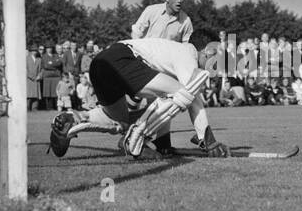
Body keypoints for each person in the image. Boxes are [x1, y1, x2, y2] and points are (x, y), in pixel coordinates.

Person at [49, 28, 229, 159]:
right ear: (208, 51)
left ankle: (73, 119)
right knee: (183, 93)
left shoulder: (171, 54)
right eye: (215, 57)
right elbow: (192, 97)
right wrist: (209, 140)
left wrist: (163, 145)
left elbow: (159, 103)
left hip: (102, 62)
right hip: (123, 58)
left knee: (118, 118)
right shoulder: (187, 53)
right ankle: (134, 140)